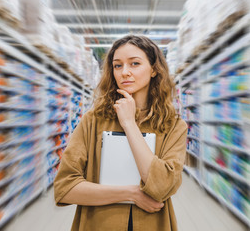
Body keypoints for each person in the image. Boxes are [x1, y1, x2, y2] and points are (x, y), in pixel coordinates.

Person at [54, 35, 187, 231]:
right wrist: (131, 194)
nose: (125, 72)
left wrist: (129, 124)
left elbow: (162, 187)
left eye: (134, 63)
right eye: (117, 66)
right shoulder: (93, 120)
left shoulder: (173, 126)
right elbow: (64, 189)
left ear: (153, 70)